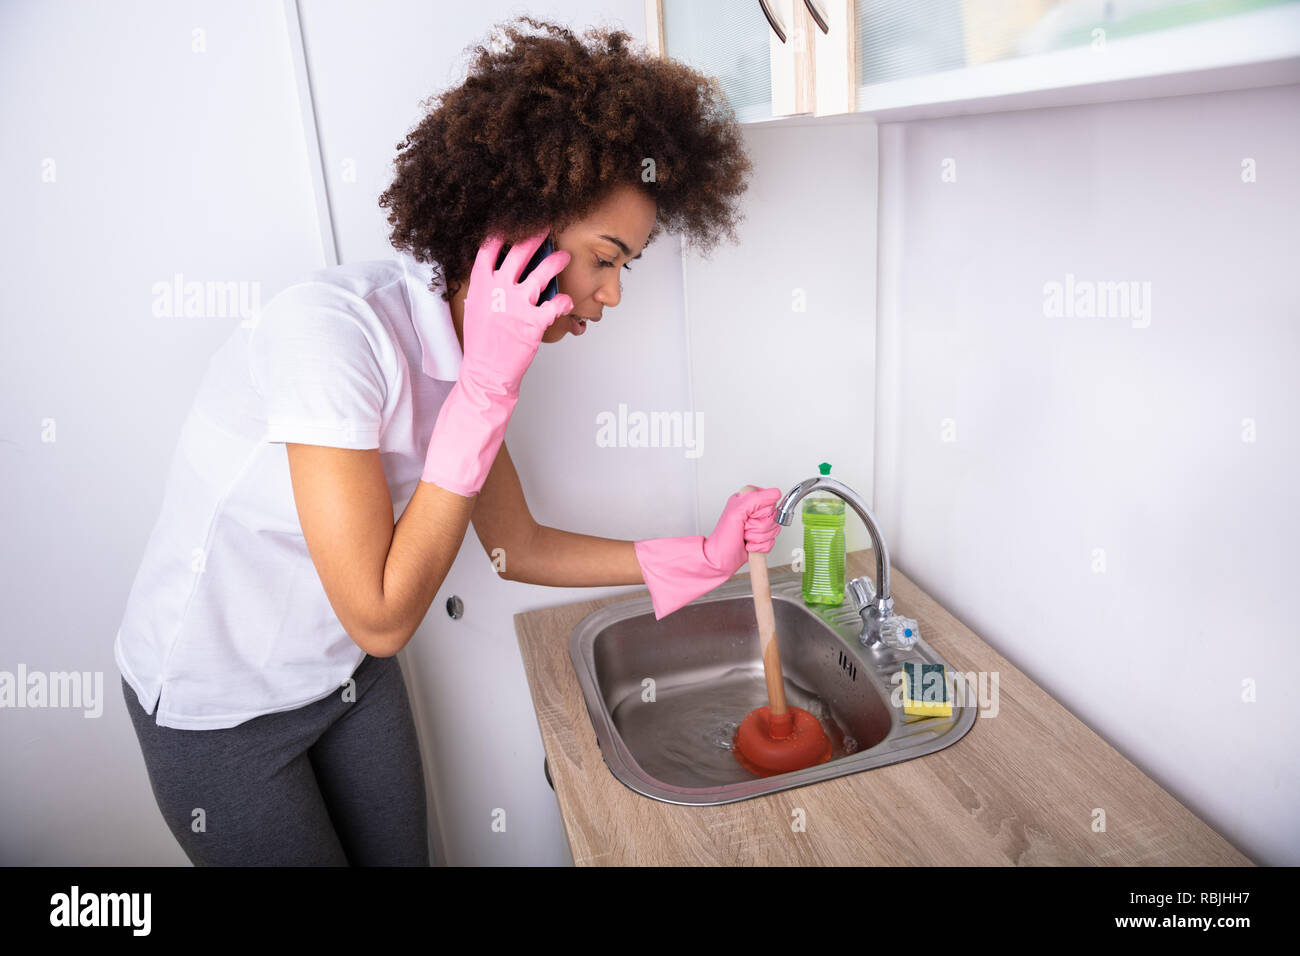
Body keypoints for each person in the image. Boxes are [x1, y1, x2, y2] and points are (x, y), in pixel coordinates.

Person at [115, 15, 777, 866]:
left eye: (626, 267)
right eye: (605, 259)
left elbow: (514, 545)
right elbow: (383, 614)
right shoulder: (335, 339)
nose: (611, 297)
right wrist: (486, 389)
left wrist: (704, 556)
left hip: (344, 678)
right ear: (523, 227)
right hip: (220, 707)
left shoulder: (472, 363)